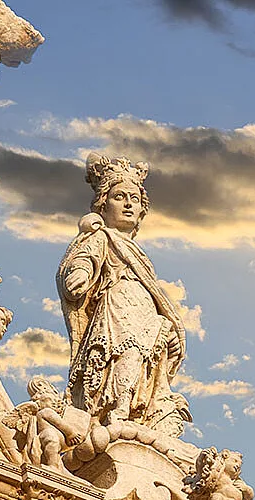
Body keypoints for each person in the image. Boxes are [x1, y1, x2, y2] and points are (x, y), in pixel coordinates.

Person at [56, 153, 190, 434]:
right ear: (103, 204)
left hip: (145, 314)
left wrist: (169, 329)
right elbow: (85, 258)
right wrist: (79, 274)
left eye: (135, 199)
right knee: (126, 354)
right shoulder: (101, 236)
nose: (129, 204)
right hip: (118, 309)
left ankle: (142, 412)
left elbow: (154, 294)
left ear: (142, 210)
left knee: (146, 360)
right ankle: (116, 412)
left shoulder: (139, 253)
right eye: (119, 197)